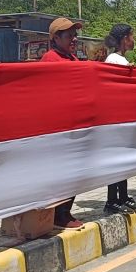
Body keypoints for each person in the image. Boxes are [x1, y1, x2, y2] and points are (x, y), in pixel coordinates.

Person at [39, 18, 86, 228]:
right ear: (55, 38)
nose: (74, 39)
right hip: (58, 128)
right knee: (63, 173)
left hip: (74, 125)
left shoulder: (72, 59)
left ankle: (65, 211)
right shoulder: (50, 60)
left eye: (74, 35)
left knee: (74, 172)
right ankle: (60, 214)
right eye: (68, 35)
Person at [102, 24, 136, 213]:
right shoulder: (114, 59)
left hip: (123, 117)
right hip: (116, 117)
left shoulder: (119, 59)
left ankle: (123, 196)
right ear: (125, 38)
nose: (133, 40)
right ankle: (112, 200)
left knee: (123, 159)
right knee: (117, 159)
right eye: (132, 36)